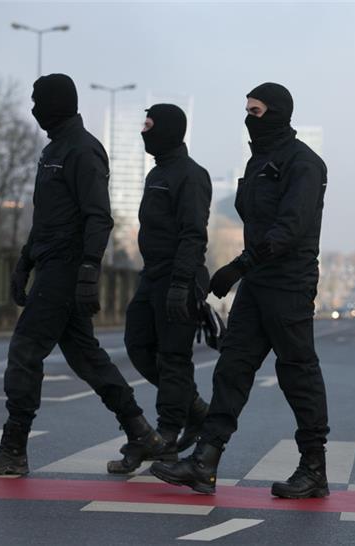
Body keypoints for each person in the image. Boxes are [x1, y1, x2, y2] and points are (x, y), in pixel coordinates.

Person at [0, 74, 164, 475]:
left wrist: (89, 269)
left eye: (38, 100)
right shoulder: (53, 149)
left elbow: (98, 217)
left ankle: (13, 450)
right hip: (51, 265)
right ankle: (141, 432)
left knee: (25, 351)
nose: (33, 108)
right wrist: (25, 261)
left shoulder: (83, 151)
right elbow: (46, 218)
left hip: (67, 268)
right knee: (87, 357)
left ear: (57, 102)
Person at [150, 83, 330, 497]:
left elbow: (288, 228)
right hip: (258, 283)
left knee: (297, 374)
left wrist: (238, 266)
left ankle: (314, 468)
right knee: (232, 368)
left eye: (257, 109)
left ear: (280, 112)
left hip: (290, 285)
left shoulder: (305, 164)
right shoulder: (258, 161)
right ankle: (204, 462)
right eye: (247, 109)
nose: (250, 117)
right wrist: (244, 270)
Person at [108, 104, 212, 473]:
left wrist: (182, 284)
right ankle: (195, 408)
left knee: (173, 357)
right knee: (137, 345)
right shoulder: (158, 174)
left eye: (149, 125)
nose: (143, 131)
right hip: (151, 275)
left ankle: (167, 434)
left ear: (168, 129)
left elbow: (193, 233)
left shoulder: (191, 175)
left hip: (178, 278)